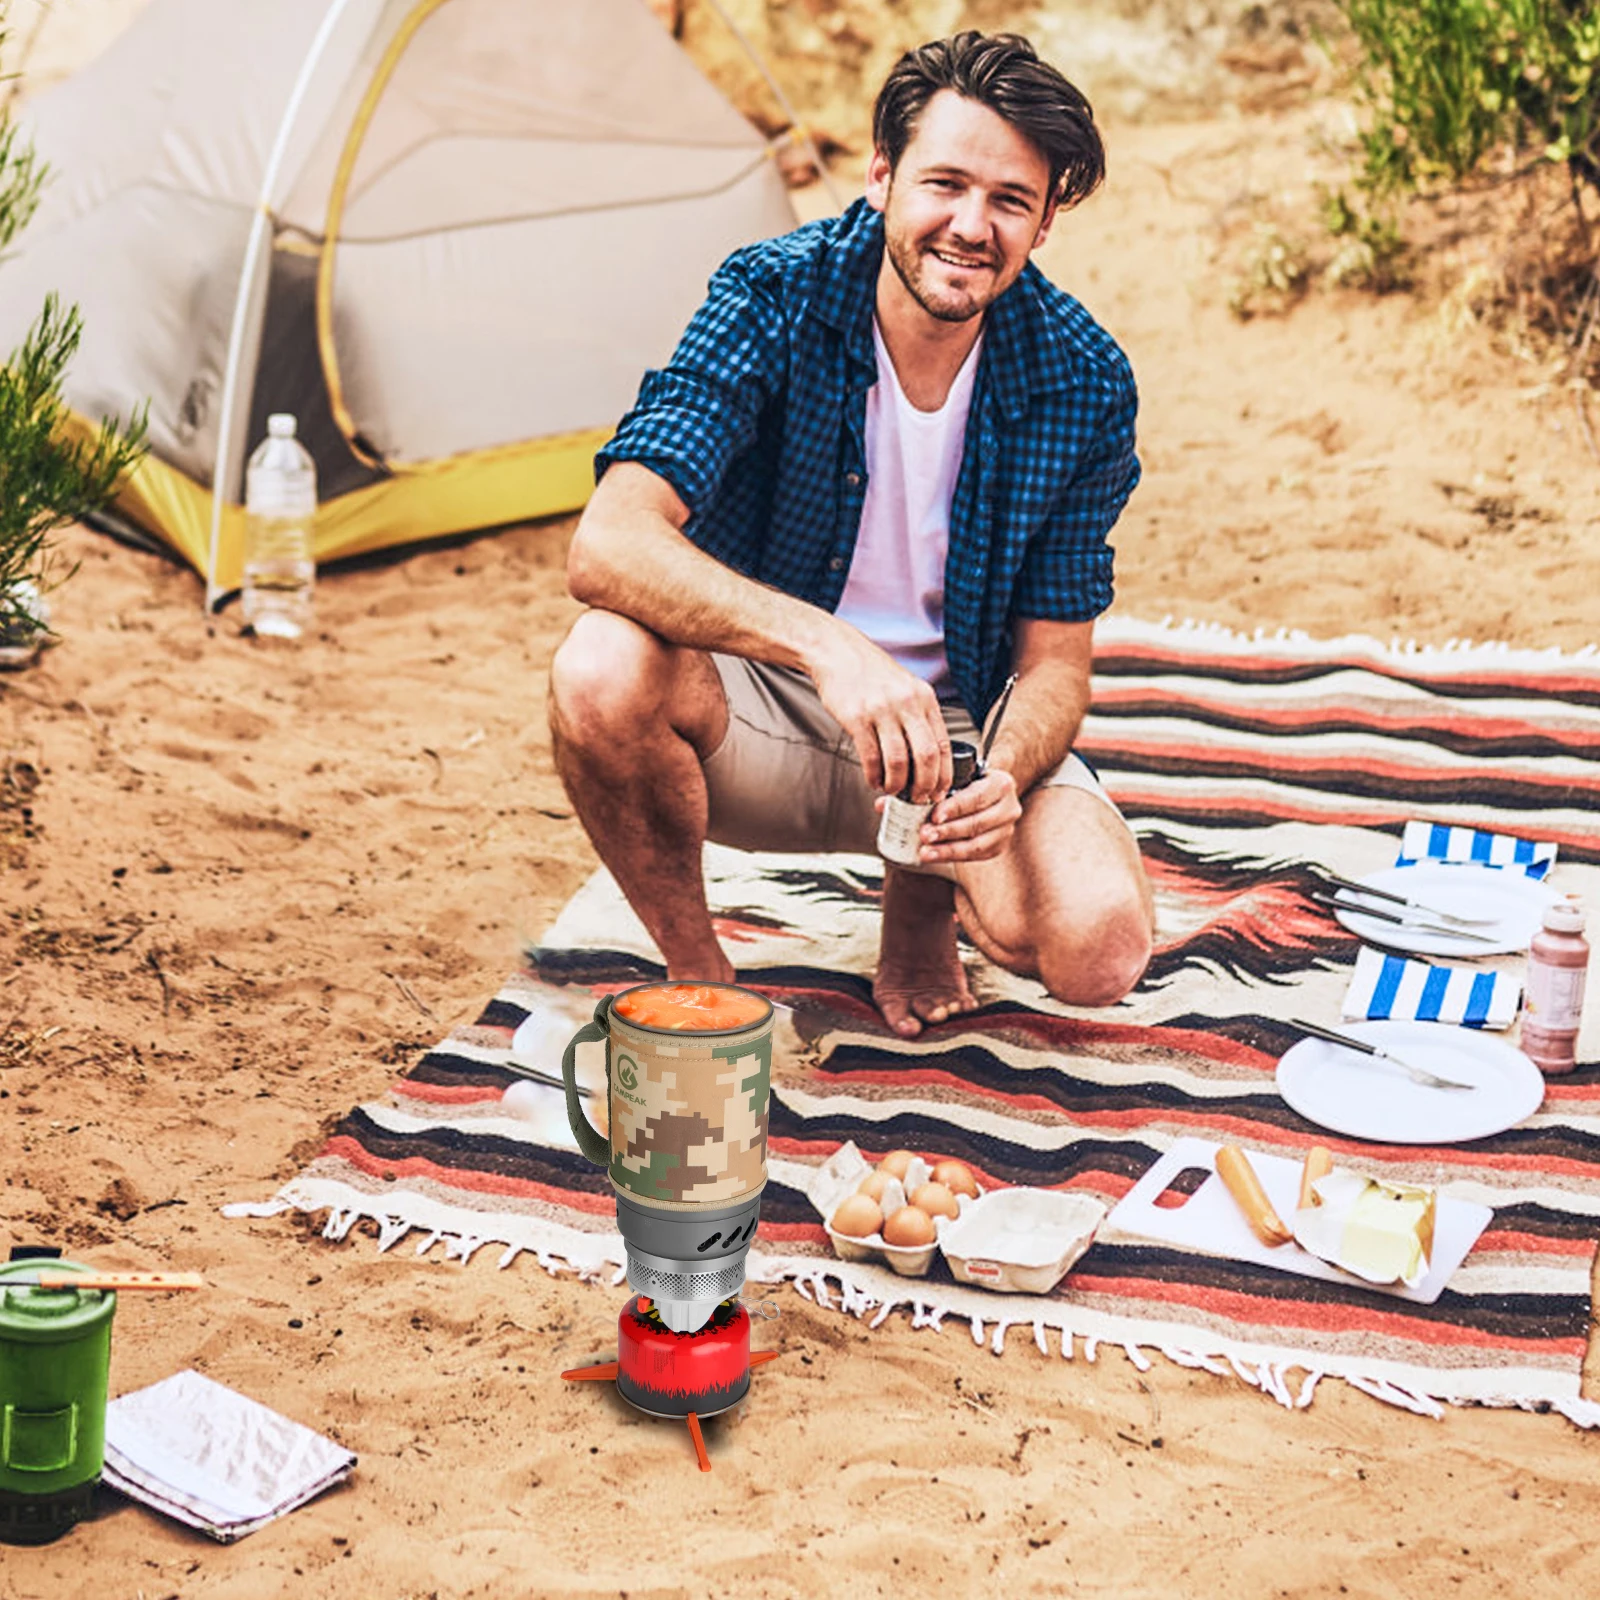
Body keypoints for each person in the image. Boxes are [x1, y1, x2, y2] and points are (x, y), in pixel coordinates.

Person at [549, 31, 1153, 1037]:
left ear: (1046, 222)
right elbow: (607, 543)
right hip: (762, 712)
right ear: (880, 175)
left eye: (1010, 200)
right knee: (599, 668)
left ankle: (917, 907)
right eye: (944, 183)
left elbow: (1054, 665)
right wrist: (833, 651)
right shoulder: (772, 296)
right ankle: (703, 975)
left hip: (955, 737)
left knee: (1099, 950)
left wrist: (998, 776)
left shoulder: (1085, 378)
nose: (970, 225)